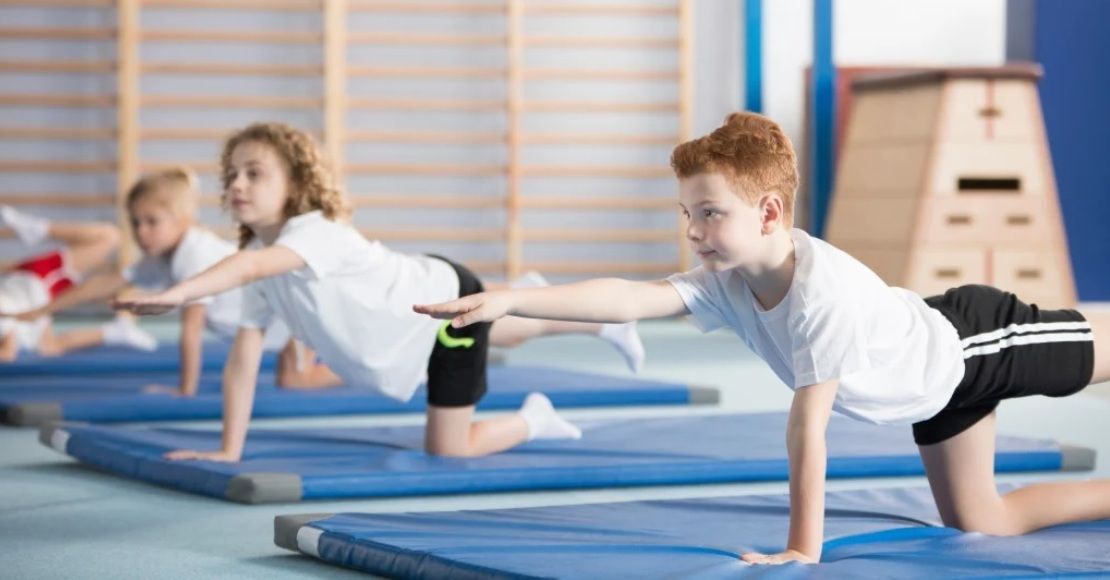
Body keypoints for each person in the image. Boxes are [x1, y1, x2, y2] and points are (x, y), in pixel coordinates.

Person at [414, 111, 1110, 565]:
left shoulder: (819, 296)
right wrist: (511, 298)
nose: (693, 231)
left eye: (709, 213)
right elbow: (630, 296)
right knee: (986, 524)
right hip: (934, 395)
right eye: (687, 213)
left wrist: (802, 549)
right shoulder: (729, 281)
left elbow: (809, 429)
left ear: (769, 212)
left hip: (974, 344)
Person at [115, 121, 641, 461]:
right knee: (506, 331)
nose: (237, 184)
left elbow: (249, 266)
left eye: (255, 173)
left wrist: (180, 293)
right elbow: (243, 358)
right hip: (416, 319)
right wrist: (229, 450)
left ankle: (534, 418)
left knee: (450, 449)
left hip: (438, 305)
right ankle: (595, 320)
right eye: (232, 175)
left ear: (296, 184)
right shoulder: (261, 255)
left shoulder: (314, 231)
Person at [0, 206, 156, 361]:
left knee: (109, 237)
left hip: (36, 283)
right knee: (49, 347)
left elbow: (8, 351)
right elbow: (8, 351)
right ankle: (116, 331)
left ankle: (38, 228)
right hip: (30, 293)